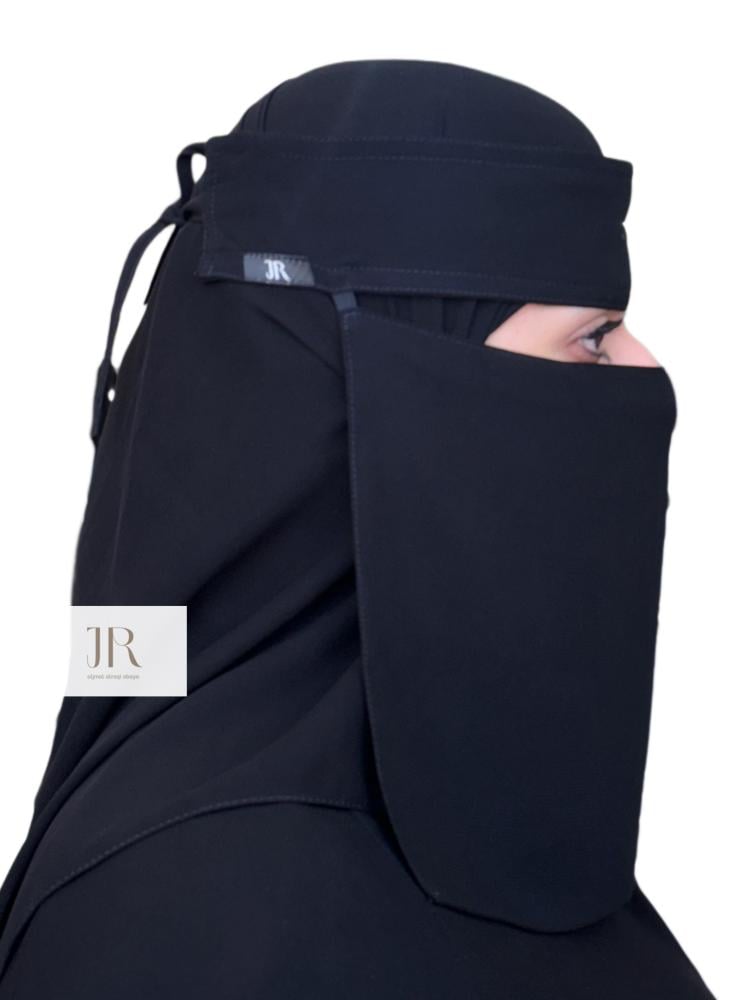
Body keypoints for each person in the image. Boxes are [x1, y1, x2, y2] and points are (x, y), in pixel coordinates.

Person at [0, 59, 716, 998]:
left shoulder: (466, 808)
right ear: (394, 373)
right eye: (592, 335)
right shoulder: (209, 923)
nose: (646, 368)